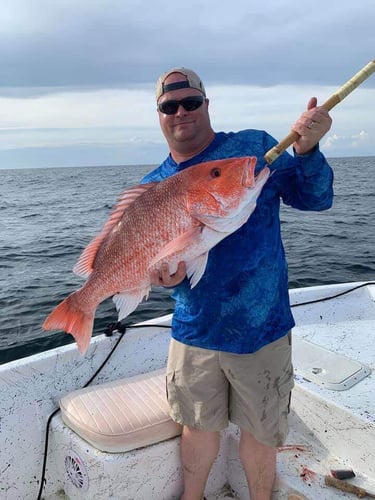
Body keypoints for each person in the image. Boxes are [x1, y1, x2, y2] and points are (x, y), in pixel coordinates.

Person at [141, 68, 333, 500]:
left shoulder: (251, 150)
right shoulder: (154, 186)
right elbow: (164, 268)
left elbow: (316, 198)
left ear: (207, 104)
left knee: (261, 431)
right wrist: (165, 278)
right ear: (159, 115)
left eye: (191, 102)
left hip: (262, 327)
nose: (181, 112)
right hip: (196, 329)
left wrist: (308, 150)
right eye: (169, 106)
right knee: (196, 426)